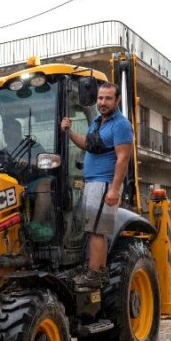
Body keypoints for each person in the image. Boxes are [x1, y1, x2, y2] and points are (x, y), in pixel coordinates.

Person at [60, 82, 133, 289]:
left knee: (96, 231)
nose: (102, 102)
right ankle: (97, 272)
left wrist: (114, 189)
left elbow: (123, 158)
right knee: (92, 230)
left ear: (117, 100)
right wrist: (69, 131)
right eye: (100, 98)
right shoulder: (98, 122)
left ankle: (95, 275)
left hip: (104, 183)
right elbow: (88, 145)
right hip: (92, 183)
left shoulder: (121, 125)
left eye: (108, 98)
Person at [0, 116, 54, 241]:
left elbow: (46, 162)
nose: (9, 134)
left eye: (13, 131)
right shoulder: (0, 155)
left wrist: (29, 162)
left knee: (45, 184)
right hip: (9, 190)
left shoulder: (33, 147)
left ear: (19, 132)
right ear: (3, 134)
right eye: (6, 131)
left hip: (31, 185)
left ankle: (36, 226)